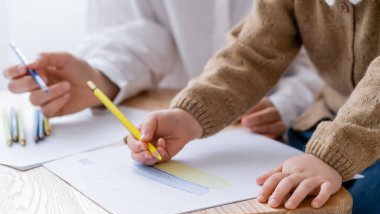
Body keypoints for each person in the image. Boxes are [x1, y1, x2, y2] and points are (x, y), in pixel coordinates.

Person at [125, 1, 380, 214]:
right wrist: (189, 115)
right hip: (329, 120)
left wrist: (332, 155)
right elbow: (252, 52)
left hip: (352, 134)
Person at [3, 0, 322, 140]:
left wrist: (289, 102)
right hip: (182, 130)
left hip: (292, 127)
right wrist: (101, 77)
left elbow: (332, 53)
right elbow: (145, 33)